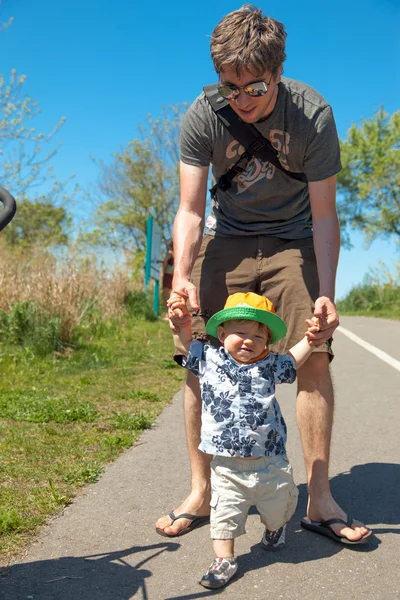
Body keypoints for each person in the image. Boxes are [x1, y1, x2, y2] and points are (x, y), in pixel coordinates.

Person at [155, 5, 372, 544]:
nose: (243, 100)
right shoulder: (203, 115)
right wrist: (181, 275)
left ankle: (319, 500)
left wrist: (326, 291)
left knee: (314, 352)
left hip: (294, 239)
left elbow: (325, 214)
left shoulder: (312, 114)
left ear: (277, 72)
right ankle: (202, 491)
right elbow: (189, 209)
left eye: (255, 86)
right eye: (230, 87)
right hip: (226, 238)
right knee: (200, 358)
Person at [166, 291, 321, 589]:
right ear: (222, 334)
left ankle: (274, 529)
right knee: (223, 514)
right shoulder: (209, 359)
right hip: (226, 466)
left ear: (267, 342)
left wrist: (311, 341)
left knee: (278, 510)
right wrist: (183, 324)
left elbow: (292, 360)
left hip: (270, 461)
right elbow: (187, 345)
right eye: (240, 333)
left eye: (258, 337)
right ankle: (225, 559)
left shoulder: (270, 364)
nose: (249, 341)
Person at [161, 239, 174, 319]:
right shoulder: (178, 253)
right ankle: (171, 313)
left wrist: (162, 270)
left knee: (166, 295)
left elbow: (164, 264)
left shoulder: (169, 254)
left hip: (168, 275)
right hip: (174, 276)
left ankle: (168, 314)